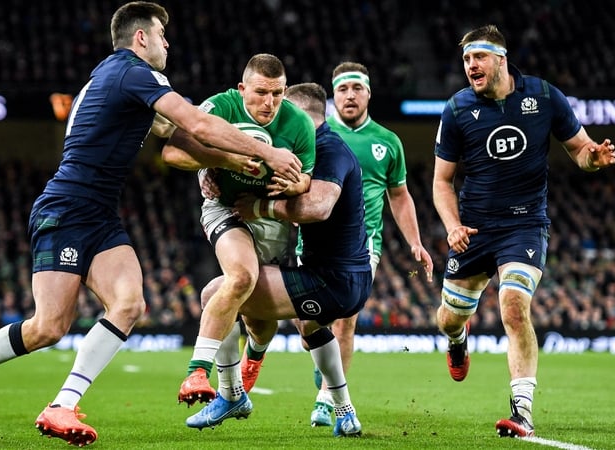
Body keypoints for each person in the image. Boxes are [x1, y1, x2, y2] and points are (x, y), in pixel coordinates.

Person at [0, 3, 303, 447]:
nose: (168, 43)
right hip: (66, 208)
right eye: (163, 34)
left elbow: (180, 138)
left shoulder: (120, 79)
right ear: (140, 37)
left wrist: (228, 159)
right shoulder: (133, 73)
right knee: (48, 326)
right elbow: (197, 122)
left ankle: (63, 405)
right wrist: (268, 154)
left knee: (129, 304)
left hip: (101, 214)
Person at [432, 24, 615, 438]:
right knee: (447, 318)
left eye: (477, 57)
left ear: (500, 58)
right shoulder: (458, 109)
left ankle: (522, 413)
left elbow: (580, 151)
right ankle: (457, 338)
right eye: (465, 60)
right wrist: (452, 226)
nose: (470, 66)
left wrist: (596, 158)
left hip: (524, 225)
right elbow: (441, 180)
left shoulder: (544, 96)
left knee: (513, 307)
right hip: (474, 231)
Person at [242, 61, 435, 427]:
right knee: (308, 325)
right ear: (332, 97)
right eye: (343, 89)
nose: (350, 95)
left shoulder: (387, 141)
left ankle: (329, 401)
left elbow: (400, 195)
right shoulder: (307, 136)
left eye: (356, 89)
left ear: (368, 94)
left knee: (344, 322)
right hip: (307, 239)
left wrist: (415, 242)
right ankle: (311, 368)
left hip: (362, 245)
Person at [188, 82, 369, 437]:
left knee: (215, 294)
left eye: (285, 114)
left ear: (300, 115)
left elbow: (318, 207)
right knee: (309, 326)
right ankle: (345, 412)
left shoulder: (328, 148)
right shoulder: (319, 148)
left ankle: (231, 393)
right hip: (339, 274)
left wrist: (259, 207)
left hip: (331, 279)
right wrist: (213, 173)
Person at [161, 54, 316, 408]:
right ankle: (198, 372)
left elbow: (306, 179)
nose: (269, 103)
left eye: (277, 94)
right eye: (261, 92)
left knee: (260, 322)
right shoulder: (220, 106)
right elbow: (172, 152)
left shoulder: (299, 124)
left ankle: (255, 355)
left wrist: (291, 185)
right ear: (242, 89)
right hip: (225, 208)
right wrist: (221, 161)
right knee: (242, 276)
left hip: (271, 220)